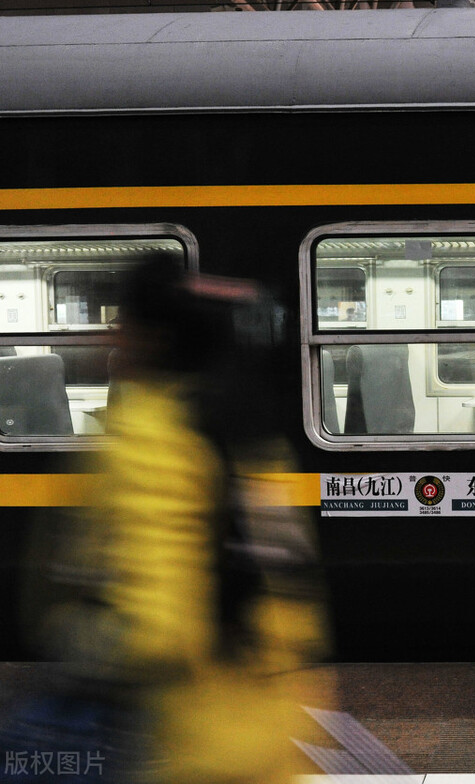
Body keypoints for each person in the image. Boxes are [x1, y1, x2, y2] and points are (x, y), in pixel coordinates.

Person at [25, 256, 331, 784]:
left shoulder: (141, 441)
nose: (111, 338)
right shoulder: (256, 442)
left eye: (123, 324)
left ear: (152, 339)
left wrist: (75, 639)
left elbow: (157, 628)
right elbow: (296, 605)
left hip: (183, 746)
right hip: (273, 736)